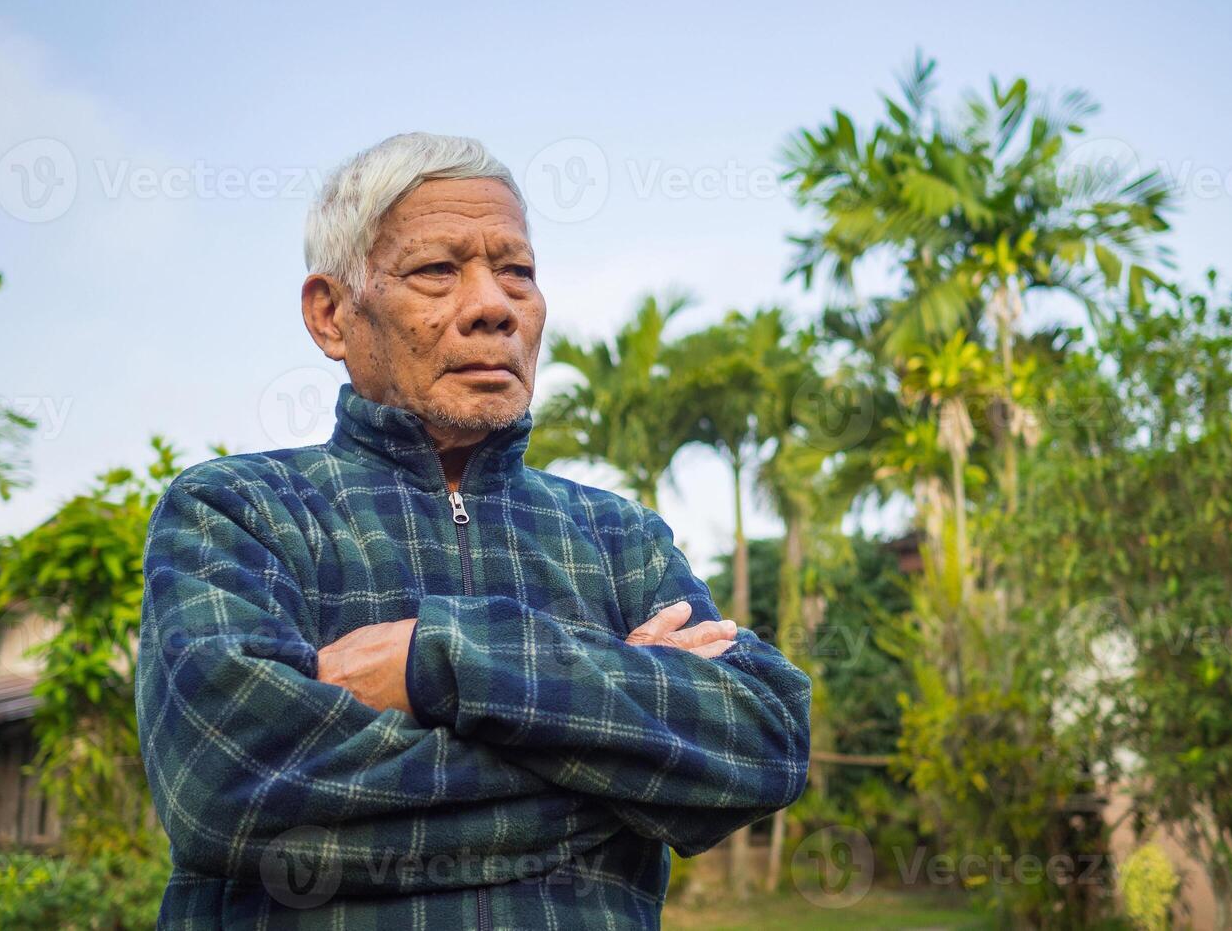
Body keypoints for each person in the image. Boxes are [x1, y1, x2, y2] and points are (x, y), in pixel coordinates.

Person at [134, 131, 812, 929]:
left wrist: (442, 659)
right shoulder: (240, 510)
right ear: (331, 315)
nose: (494, 306)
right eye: (437, 271)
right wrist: (618, 762)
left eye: (517, 270)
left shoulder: (618, 537)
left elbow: (763, 738)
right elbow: (233, 784)